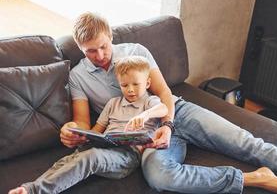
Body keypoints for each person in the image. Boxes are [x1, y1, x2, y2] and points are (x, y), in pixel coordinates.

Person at [17, 12, 277, 194]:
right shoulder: (78, 76)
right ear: (80, 49)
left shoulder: (136, 52)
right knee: (160, 178)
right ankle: (254, 178)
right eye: (90, 51)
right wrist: (71, 130)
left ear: (111, 37)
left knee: (248, 144)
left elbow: (164, 94)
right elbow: (84, 123)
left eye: (104, 46)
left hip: (177, 112)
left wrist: (167, 124)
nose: (100, 55)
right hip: (144, 139)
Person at [8, 56, 168, 194]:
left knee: (92, 157)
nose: (130, 90)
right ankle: (29, 189)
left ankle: (35, 191)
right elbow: (96, 131)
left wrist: (145, 115)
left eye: (136, 84)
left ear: (147, 83)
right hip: (104, 145)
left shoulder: (149, 102)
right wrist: (83, 135)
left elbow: (163, 108)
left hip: (127, 155)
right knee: (67, 160)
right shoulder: (113, 103)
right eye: (124, 85)